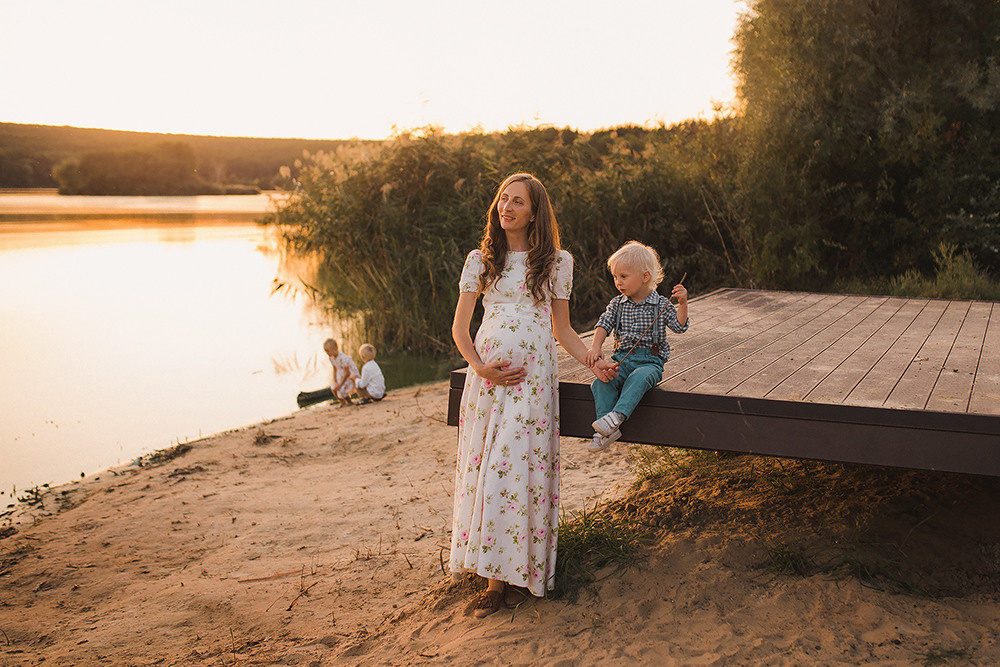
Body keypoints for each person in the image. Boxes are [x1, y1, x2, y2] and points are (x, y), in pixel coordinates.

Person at [450, 173, 613, 619]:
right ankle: (492, 582)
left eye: (517, 201)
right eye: (503, 199)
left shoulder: (558, 262)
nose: (507, 207)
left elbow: (562, 330)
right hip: (488, 382)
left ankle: (519, 571)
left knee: (517, 469)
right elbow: (460, 328)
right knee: (487, 471)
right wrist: (479, 367)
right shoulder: (481, 260)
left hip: (533, 381)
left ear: (534, 211)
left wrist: (591, 360)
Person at [585, 240, 689, 452]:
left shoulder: (661, 304)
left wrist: (683, 304)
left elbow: (679, 327)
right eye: (615, 277)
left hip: (650, 362)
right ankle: (607, 428)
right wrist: (596, 346)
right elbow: (603, 324)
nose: (618, 282)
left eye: (623, 276)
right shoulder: (617, 304)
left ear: (644, 277)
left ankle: (617, 417)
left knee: (639, 378)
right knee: (601, 382)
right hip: (621, 359)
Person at [323, 339, 358, 407]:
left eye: (328, 350)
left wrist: (340, 384)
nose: (327, 353)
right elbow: (335, 369)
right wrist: (335, 381)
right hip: (340, 374)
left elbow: (347, 372)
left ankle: (349, 401)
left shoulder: (343, 358)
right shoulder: (331, 358)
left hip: (346, 376)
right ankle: (342, 401)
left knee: (342, 389)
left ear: (335, 348)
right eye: (325, 351)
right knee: (333, 388)